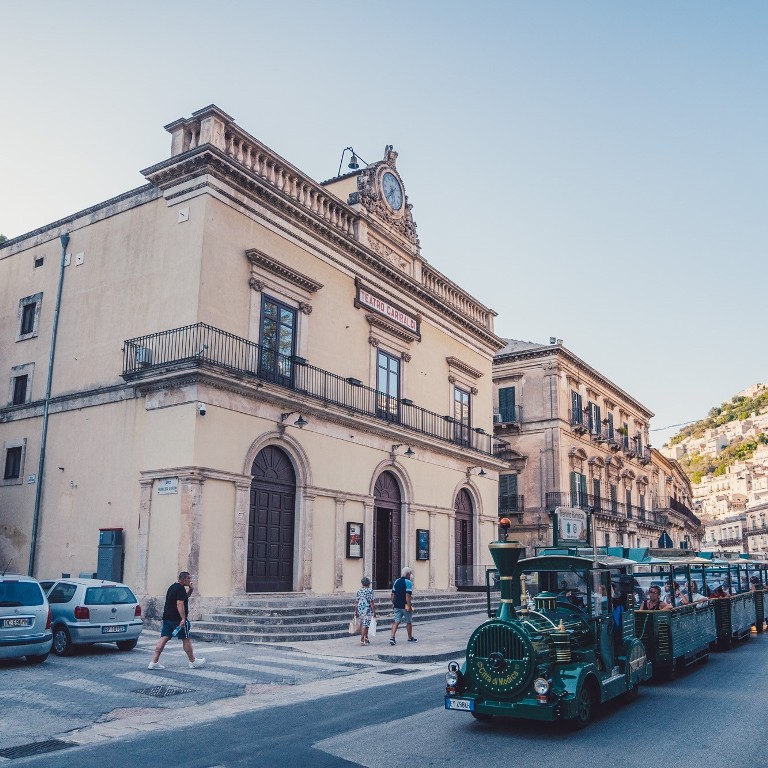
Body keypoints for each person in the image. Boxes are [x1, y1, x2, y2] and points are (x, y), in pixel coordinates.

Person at [148, 571, 206, 670]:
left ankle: (154, 662)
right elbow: (180, 604)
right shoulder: (180, 589)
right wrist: (183, 619)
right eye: (188, 578)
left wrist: (191, 590)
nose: (190, 580)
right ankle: (192, 661)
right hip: (177, 619)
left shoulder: (173, 587)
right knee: (186, 639)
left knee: (164, 638)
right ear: (183, 579)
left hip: (167, 618)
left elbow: (183, 598)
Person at [389, 566, 416, 645]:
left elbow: (392, 594)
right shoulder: (408, 582)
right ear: (408, 574)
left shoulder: (396, 581)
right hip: (405, 606)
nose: (411, 575)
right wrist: (409, 606)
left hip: (397, 605)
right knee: (409, 621)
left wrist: (393, 603)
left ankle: (392, 637)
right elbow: (407, 596)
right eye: (410, 573)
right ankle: (410, 637)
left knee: (396, 621)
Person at [355, 576, 376, 646]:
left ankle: (366, 638)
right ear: (368, 583)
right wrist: (374, 611)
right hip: (367, 609)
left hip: (360, 608)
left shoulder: (359, 591)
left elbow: (356, 602)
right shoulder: (370, 591)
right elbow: (371, 602)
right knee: (365, 625)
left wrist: (355, 611)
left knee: (365, 624)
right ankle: (362, 640)